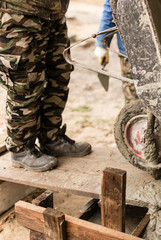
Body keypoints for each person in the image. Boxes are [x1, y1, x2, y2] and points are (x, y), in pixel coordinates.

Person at [0, 0, 92, 172]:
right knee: (26, 84)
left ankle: (51, 138)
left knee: (58, 76)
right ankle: (21, 148)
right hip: (18, 15)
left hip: (54, 14)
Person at [94, 0, 138, 104]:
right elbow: (112, 7)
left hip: (133, 54)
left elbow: (111, 8)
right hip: (131, 53)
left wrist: (102, 44)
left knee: (134, 103)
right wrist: (102, 43)